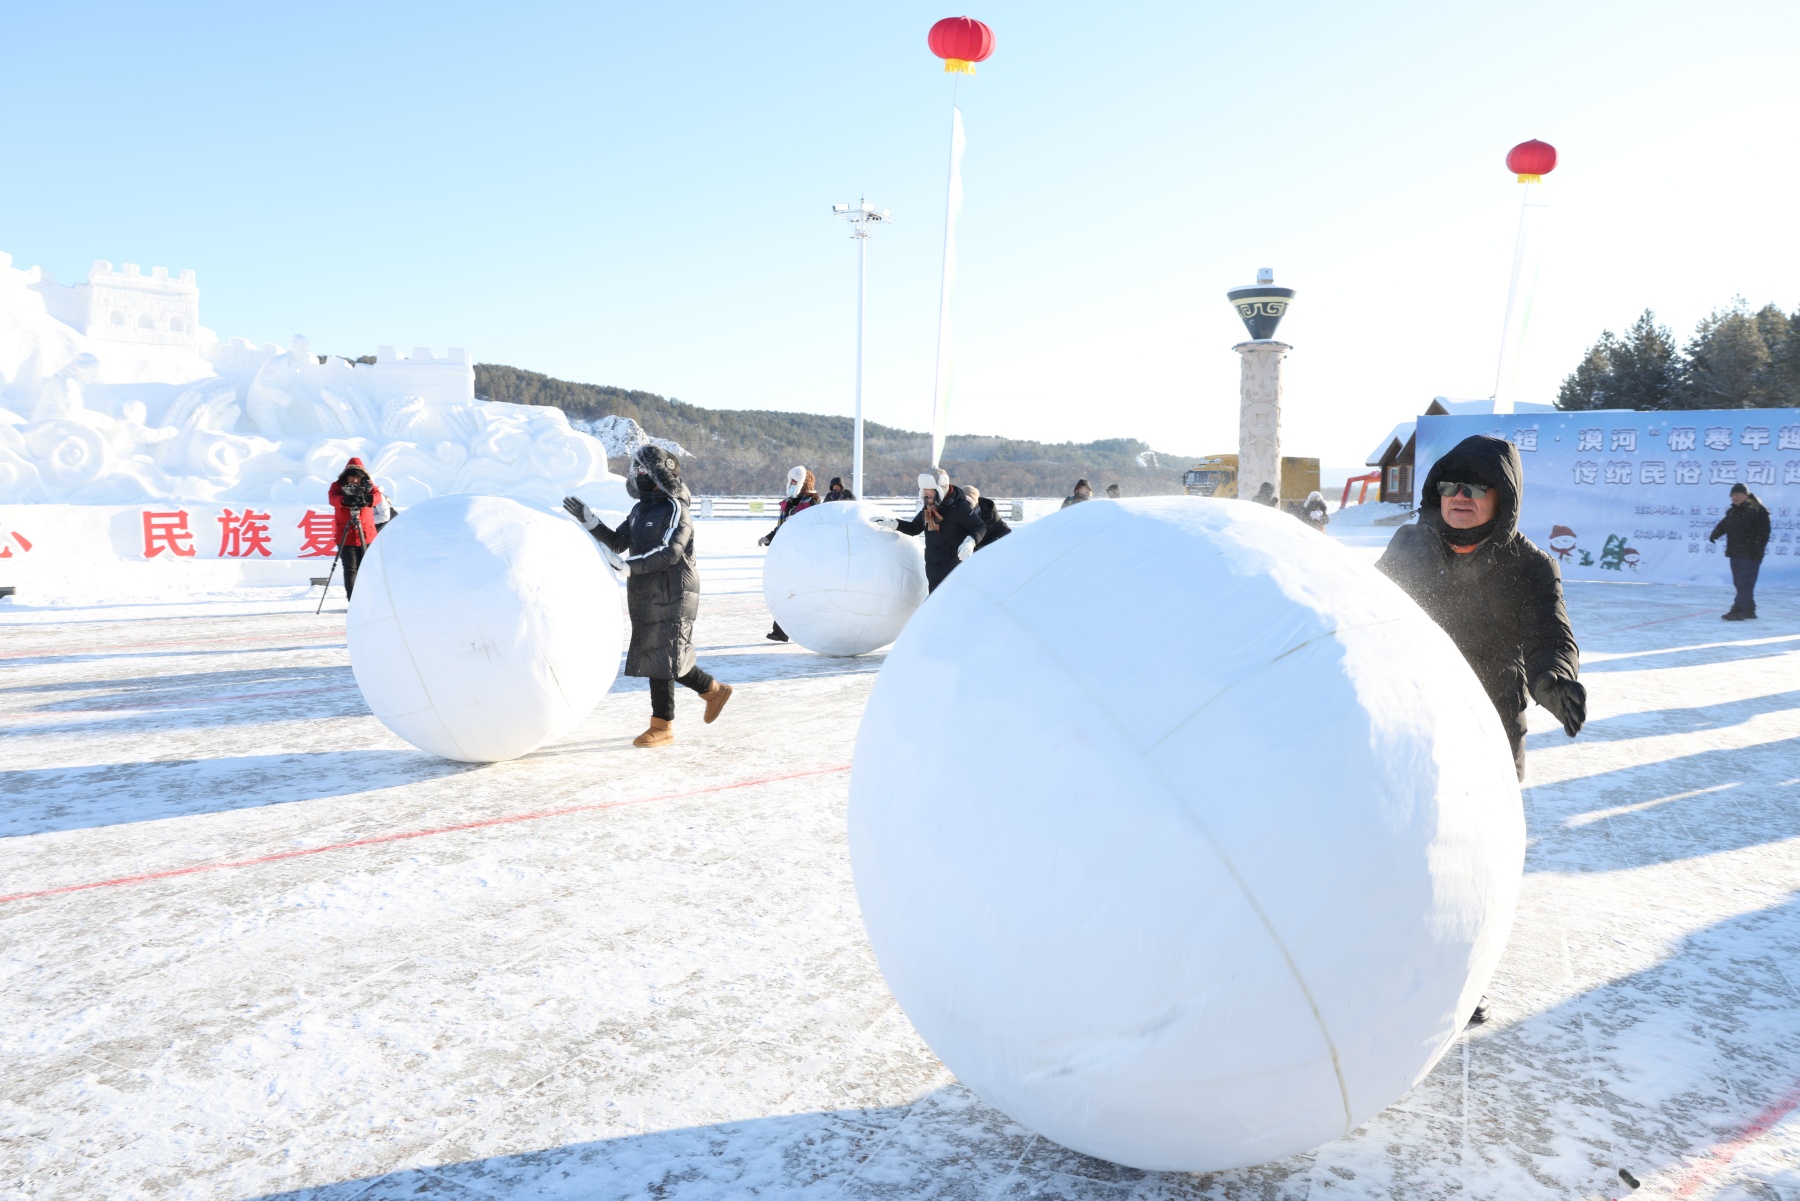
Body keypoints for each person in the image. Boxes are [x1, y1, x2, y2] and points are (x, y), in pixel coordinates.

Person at [1377, 434, 1584, 780]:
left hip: (1488, 719)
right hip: (1408, 710)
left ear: (1502, 497)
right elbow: (1367, 609)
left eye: (1474, 488)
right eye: (1449, 486)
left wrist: (1554, 678)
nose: (1459, 496)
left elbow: (1551, 638)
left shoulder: (1530, 565)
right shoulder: (1407, 544)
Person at [563, 446, 732, 748]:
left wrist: (629, 567)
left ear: (660, 474)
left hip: (674, 590)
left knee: (662, 655)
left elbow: (670, 552)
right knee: (661, 654)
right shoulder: (640, 510)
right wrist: (590, 521)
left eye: (644, 469)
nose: (638, 474)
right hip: (645, 589)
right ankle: (713, 690)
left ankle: (662, 726)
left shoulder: (676, 508)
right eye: (636, 469)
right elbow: (618, 541)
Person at [873, 467, 985, 592]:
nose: (926, 493)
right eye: (924, 489)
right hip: (932, 570)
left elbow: (979, 526)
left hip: (952, 570)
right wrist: (893, 524)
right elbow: (914, 528)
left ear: (940, 489)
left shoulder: (959, 507)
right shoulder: (930, 509)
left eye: (929, 490)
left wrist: (970, 541)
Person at [758, 466, 822, 641]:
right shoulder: (789, 502)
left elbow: (818, 527)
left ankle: (812, 630)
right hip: (788, 555)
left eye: (795, 481)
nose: (790, 484)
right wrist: (769, 538)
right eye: (790, 481)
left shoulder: (812, 502)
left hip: (805, 556)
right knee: (786, 593)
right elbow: (781, 528)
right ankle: (780, 631)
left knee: (804, 596)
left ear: (803, 483)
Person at [1709, 482, 1771, 620]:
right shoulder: (1733, 511)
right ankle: (1749, 609)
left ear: (1746, 495)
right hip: (1735, 552)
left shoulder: (1758, 510)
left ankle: (1738, 611)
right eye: (1732, 495)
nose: (1735, 497)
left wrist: (1756, 550)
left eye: (1738, 494)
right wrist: (1714, 534)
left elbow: (1763, 533)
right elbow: (1724, 525)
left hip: (1750, 554)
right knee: (1740, 583)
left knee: (1745, 583)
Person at [327, 457, 384, 599]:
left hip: (367, 535)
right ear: (345, 477)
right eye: (351, 477)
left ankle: (369, 598)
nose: (354, 481)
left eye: (357, 478)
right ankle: (353, 600)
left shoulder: (368, 486)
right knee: (350, 569)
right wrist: (344, 500)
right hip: (346, 536)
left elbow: (377, 496)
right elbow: (332, 498)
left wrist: (367, 499)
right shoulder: (337, 486)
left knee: (367, 567)